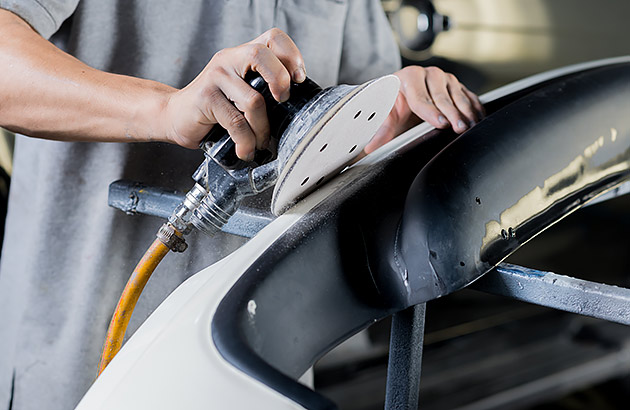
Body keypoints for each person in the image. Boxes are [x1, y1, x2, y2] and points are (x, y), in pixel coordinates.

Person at [0, 1, 483, 409]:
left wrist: (396, 117)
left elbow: (354, 123)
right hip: (87, 361)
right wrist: (165, 110)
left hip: (263, 366)